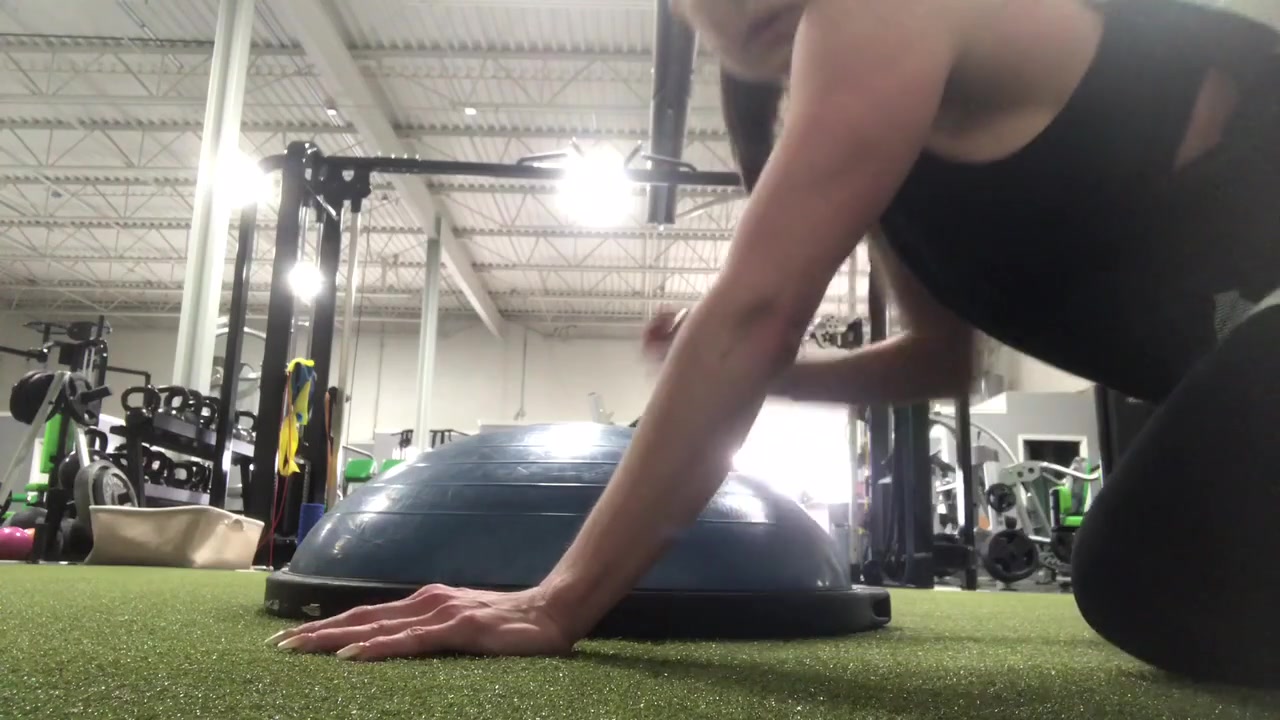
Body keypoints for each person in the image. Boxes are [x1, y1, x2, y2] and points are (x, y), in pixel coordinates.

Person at [266, 0, 1280, 687]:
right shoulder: (866, 135)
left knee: (1145, 572)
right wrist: (758, 373)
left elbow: (756, 311)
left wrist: (554, 602)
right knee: (1155, 588)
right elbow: (940, 359)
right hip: (1236, 377)